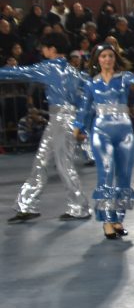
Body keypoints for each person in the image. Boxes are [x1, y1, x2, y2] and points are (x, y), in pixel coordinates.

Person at [1, 33, 90, 223]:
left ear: (51, 49)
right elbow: (86, 97)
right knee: (42, 161)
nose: (42, 51)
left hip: (60, 119)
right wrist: (81, 123)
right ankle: (26, 205)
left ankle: (79, 207)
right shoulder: (74, 71)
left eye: (44, 48)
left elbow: (16, 73)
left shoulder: (48, 68)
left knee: (63, 164)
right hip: (63, 119)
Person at [73, 43, 134, 239]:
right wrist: (78, 126)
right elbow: (84, 107)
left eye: (110, 56)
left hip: (124, 131)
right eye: (103, 56)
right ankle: (107, 220)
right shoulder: (92, 83)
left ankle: (118, 219)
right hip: (101, 131)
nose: (107, 59)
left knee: (124, 175)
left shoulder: (124, 78)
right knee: (106, 173)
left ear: (115, 58)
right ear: (97, 60)